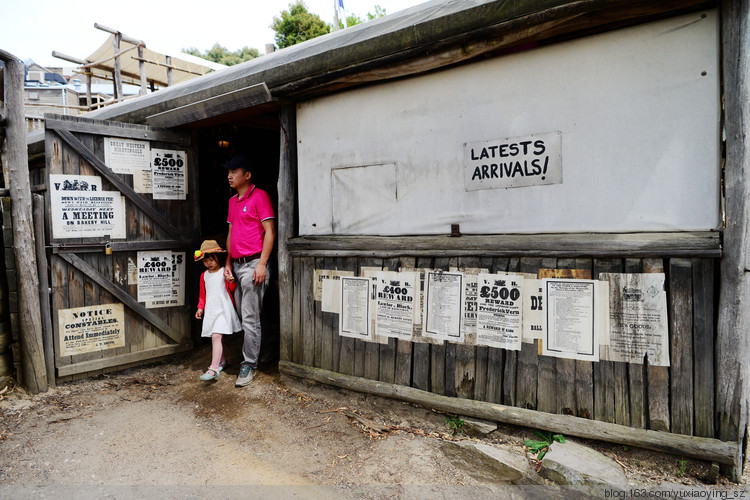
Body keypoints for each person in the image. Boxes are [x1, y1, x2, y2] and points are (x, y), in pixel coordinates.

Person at [222, 154, 276, 387]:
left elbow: (270, 232)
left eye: (234, 171)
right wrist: (227, 263)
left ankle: (249, 364)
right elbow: (231, 234)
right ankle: (270, 345)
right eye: (228, 172)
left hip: (254, 263)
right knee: (248, 315)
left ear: (247, 175)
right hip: (236, 264)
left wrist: (263, 263)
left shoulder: (260, 196)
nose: (229, 175)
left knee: (250, 317)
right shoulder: (233, 201)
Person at [194, 239, 241, 381]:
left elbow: (231, 290)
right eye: (205, 261)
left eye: (211, 260)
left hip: (223, 307)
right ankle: (222, 361)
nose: (209, 263)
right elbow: (203, 294)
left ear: (218, 258)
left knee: (216, 336)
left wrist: (232, 281)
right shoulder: (204, 276)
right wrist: (200, 308)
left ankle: (213, 369)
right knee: (216, 337)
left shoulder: (223, 272)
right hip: (211, 309)